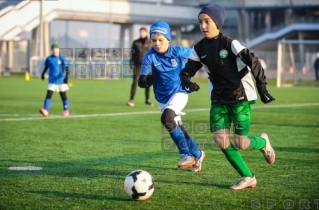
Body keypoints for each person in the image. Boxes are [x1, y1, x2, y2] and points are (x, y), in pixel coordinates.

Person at [179, 4, 276, 189]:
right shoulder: (199, 48)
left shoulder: (231, 44)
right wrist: (186, 81)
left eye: (207, 21)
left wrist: (262, 88)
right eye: (200, 22)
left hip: (240, 97)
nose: (203, 26)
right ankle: (248, 176)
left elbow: (253, 61)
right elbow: (186, 71)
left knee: (241, 143)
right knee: (220, 140)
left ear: (217, 22)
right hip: (218, 99)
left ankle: (263, 142)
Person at [138, 21, 205, 172]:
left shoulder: (178, 51)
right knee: (179, 128)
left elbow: (200, 57)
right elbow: (141, 81)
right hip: (162, 98)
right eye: (153, 40)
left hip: (180, 92)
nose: (157, 43)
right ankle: (198, 154)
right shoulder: (149, 56)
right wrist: (146, 81)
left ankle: (185, 155)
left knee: (167, 118)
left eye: (160, 40)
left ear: (168, 39)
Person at [39, 41, 70, 117]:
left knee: (63, 96)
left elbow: (67, 68)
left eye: (56, 48)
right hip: (52, 80)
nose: (55, 50)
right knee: (48, 95)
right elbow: (46, 67)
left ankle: (66, 110)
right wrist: (43, 74)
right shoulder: (49, 58)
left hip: (61, 80)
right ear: (51, 50)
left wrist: (66, 77)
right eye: (53, 49)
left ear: (59, 49)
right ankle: (45, 110)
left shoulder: (62, 58)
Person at [127, 27, 153, 106]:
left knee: (147, 83)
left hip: (147, 66)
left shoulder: (150, 43)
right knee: (135, 82)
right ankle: (131, 100)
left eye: (143, 32)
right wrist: (131, 65)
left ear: (146, 33)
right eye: (140, 32)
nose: (141, 34)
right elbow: (132, 55)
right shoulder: (136, 42)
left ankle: (147, 100)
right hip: (137, 65)